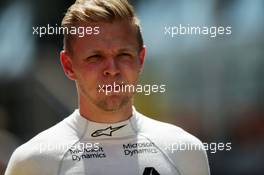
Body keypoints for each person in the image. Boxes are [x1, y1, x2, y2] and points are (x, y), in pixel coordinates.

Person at [5, 0, 210, 174]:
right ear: (68, 66)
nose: (112, 69)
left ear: (141, 59)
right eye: (95, 57)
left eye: (123, 55)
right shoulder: (32, 159)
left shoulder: (185, 149)